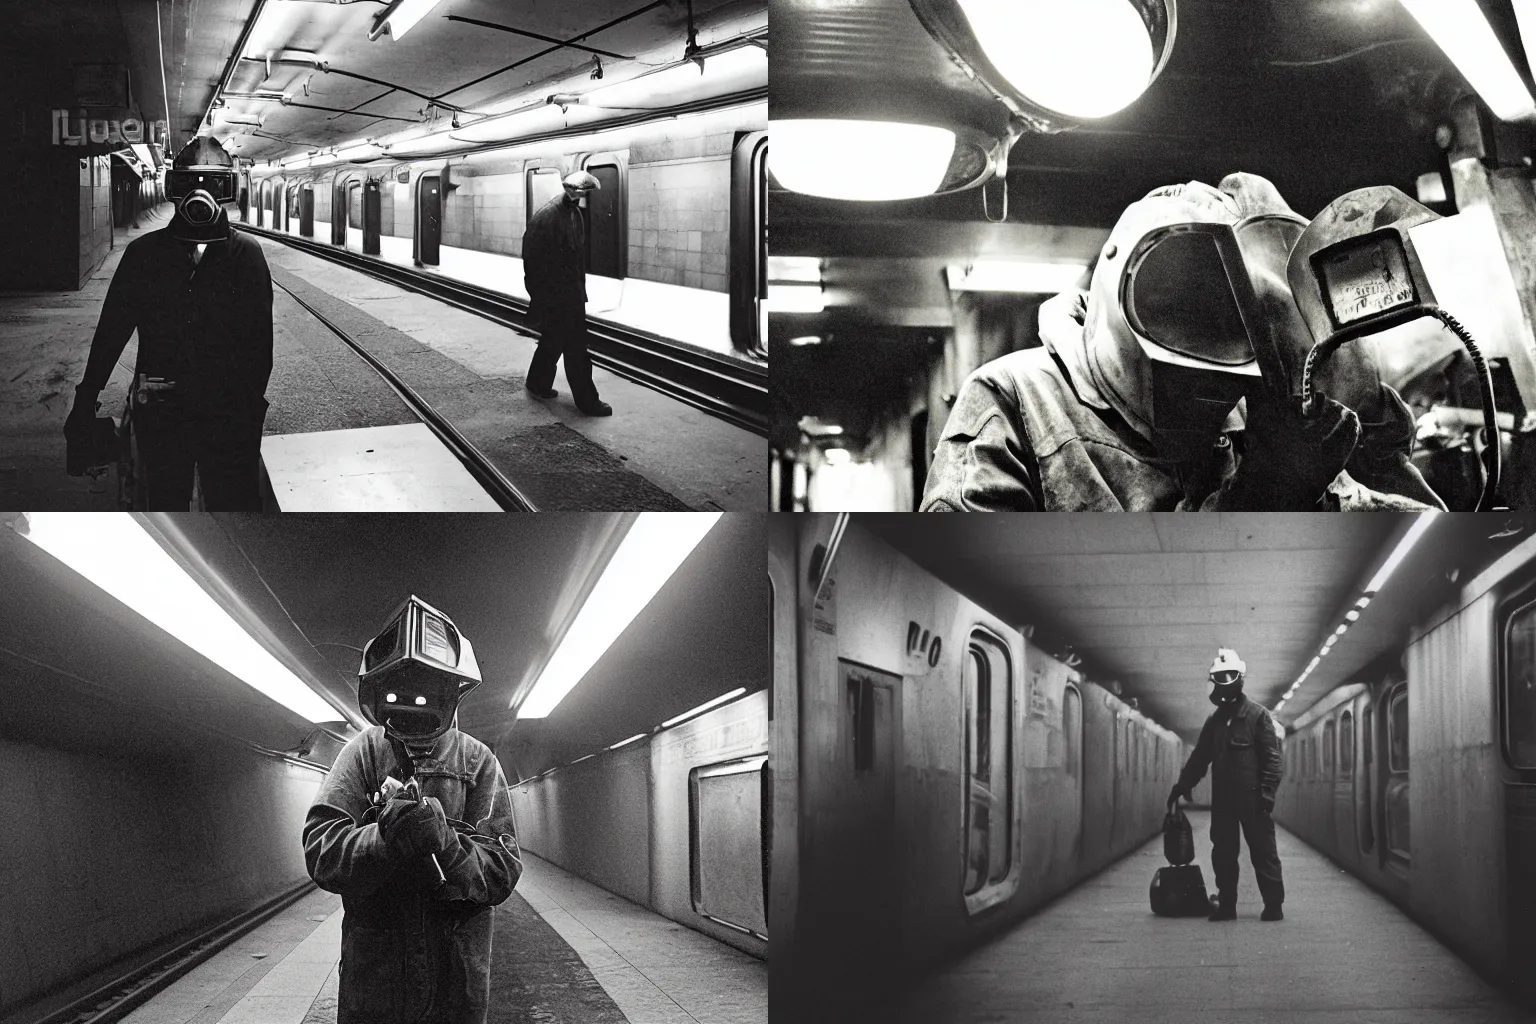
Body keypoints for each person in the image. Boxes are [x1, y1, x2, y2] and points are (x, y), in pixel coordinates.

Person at [919, 173, 1446, 511]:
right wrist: (1259, 501)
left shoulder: (1254, 419)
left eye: (1233, 318)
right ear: (1119, 279)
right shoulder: (1016, 396)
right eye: (1185, 304)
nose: (1207, 356)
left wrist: (1363, 410)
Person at [304, 596, 522, 1024]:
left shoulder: (478, 764)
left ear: (450, 695)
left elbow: (502, 870)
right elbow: (320, 850)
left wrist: (448, 844)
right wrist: (381, 839)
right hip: (375, 984)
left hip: (454, 983)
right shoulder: (362, 754)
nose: (412, 711)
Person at [65, 135, 273, 509]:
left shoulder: (246, 256)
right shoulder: (144, 255)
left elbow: (260, 348)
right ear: (171, 188)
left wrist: (247, 409)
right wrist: (85, 397)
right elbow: (112, 331)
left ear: (229, 189)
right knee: (165, 505)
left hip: (222, 415)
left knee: (231, 506)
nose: (200, 195)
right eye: (188, 183)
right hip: (163, 413)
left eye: (214, 183)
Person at [1168, 648, 1285, 922]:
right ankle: (1228, 906)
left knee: (1263, 853)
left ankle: (1273, 906)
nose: (1224, 681)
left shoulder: (1258, 716)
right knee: (1223, 855)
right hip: (1224, 802)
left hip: (1254, 800)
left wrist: (1267, 793)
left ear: (1240, 677)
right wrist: (1182, 785)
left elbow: (1272, 760)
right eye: (1219, 677)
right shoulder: (1215, 721)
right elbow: (1200, 758)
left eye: (1229, 675)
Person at [523, 169, 611, 416]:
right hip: (558, 297)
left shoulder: (573, 213)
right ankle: (588, 401)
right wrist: (542, 297)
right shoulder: (548, 217)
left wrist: (580, 292)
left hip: (570, 294)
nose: (585, 197)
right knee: (576, 350)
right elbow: (532, 260)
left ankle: (537, 383)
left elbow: (575, 258)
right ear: (574, 190)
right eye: (584, 192)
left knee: (552, 342)